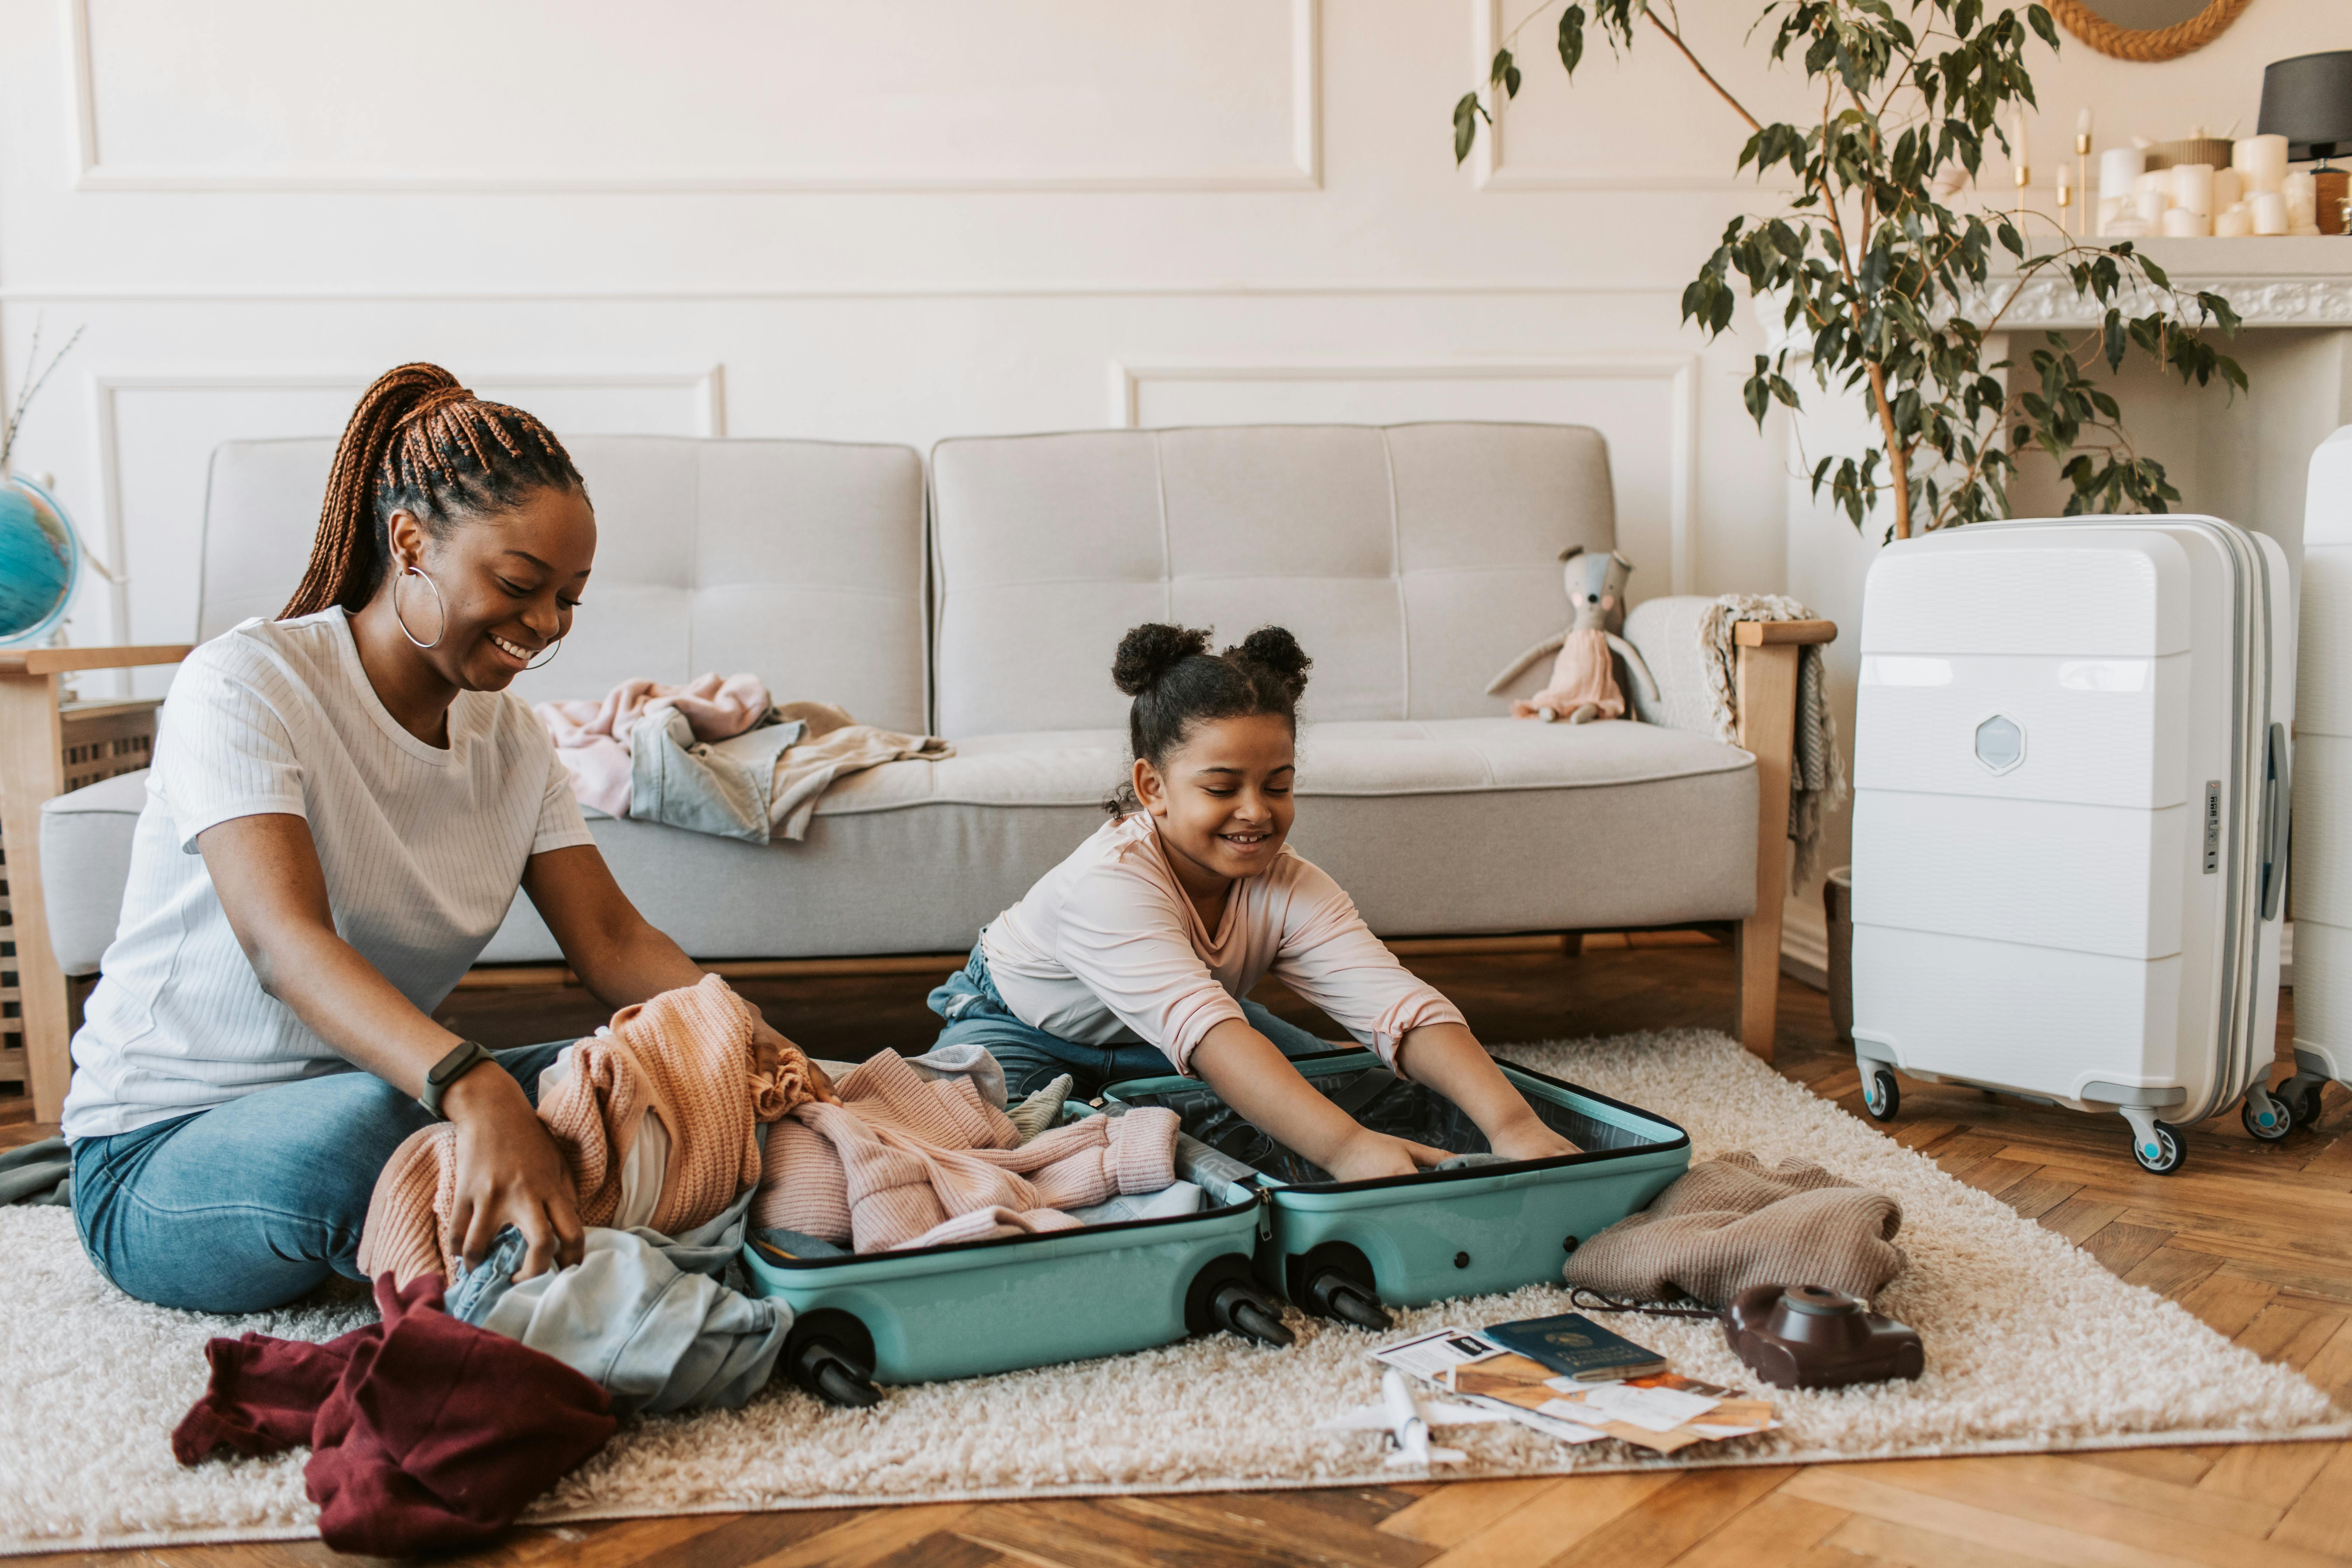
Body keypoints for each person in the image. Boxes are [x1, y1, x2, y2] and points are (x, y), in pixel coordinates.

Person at [62, 362, 826, 1315]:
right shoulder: (246, 683)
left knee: (631, 1071)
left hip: (393, 1093)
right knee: (396, 1123)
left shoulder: (512, 740)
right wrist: (473, 1087)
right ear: (411, 544)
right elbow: (282, 942)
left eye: (570, 599)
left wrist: (774, 1059)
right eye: (520, 584)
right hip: (162, 1155)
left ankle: (562, 1231)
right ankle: (577, 1281)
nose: (546, 625)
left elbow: (617, 945)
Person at [926, 623, 1579, 1184]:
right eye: (1221, 787)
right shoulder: (1107, 885)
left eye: (1278, 785)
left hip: (1184, 1033)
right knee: (999, 1149)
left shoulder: (1289, 884)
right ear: (1153, 786)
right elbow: (1211, 1037)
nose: (1255, 812)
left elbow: (1395, 1004)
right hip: (1022, 1027)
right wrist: (1349, 1152)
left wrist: (1513, 1124)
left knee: (1362, 1094)